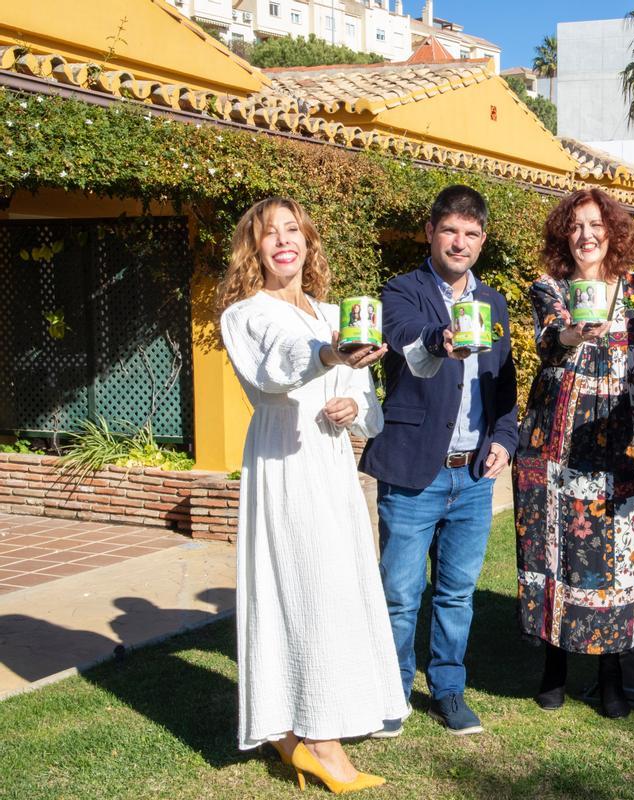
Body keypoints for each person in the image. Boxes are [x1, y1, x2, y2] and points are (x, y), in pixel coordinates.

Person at [217, 197, 406, 794]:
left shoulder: (334, 310)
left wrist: (355, 404)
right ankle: (318, 742)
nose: (282, 242)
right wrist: (327, 353)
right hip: (283, 461)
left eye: (292, 230)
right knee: (303, 587)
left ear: (308, 240)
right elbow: (275, 369)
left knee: (336, 586)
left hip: (330, 463)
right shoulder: (245, 313)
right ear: (255, 248)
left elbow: (368, 406)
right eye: (268, 234)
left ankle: (293, 731)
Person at [359, 185, 517, 736]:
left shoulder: (494, 301)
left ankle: (448, 691)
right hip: (413, 470)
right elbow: (401, 337)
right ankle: (392, 691)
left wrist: (505, 436)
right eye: (450, 230)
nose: (460, 242)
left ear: (482, 240)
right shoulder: (401, 289)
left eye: (472, 234)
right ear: (431, 232)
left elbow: (505, 379)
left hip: (473, 474)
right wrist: (439, 337)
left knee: (457, 592)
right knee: (401, 593)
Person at [512, 188, 634, 718]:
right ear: (563, 236)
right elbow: (549, 339)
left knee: (616, 558)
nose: (586, 235)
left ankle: (610, 671)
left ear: (613, 232)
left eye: (596, 224)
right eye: (575, 226)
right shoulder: (549, 287)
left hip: (620, 443)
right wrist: (576, 331)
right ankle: (554, 663)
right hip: (554, 443)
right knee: (553, 550)